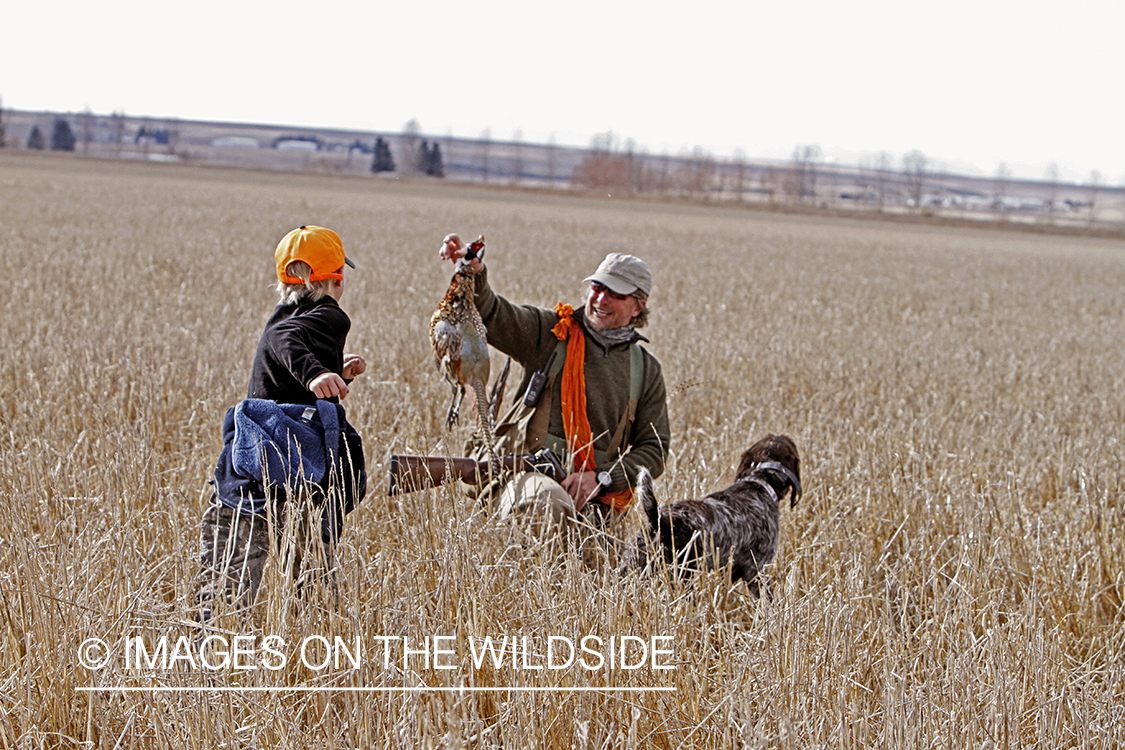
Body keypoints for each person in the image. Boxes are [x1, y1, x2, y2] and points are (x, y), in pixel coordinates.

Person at [439, 234, 670, 545]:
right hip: (524, 480)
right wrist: (473, 271)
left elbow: (653, 451)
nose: (600, 300)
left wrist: (602, 478)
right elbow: (492, 314)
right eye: (598, 288)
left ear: (638, 307)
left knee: (600, 579)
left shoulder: (646, 370)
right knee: (547, 504)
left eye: (616, 294)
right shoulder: (552, 334)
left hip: (596, 498)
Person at [196, 225, 367, 621]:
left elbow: (279, 366)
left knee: (225, 584)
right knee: (312, 581)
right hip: (294, 467)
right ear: (334, 279)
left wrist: (335, 372)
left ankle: (208, 658)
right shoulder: (328, 315)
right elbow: (288, 341)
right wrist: (313, 373)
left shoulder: (285, 313)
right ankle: (313, 652)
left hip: (248, 463)